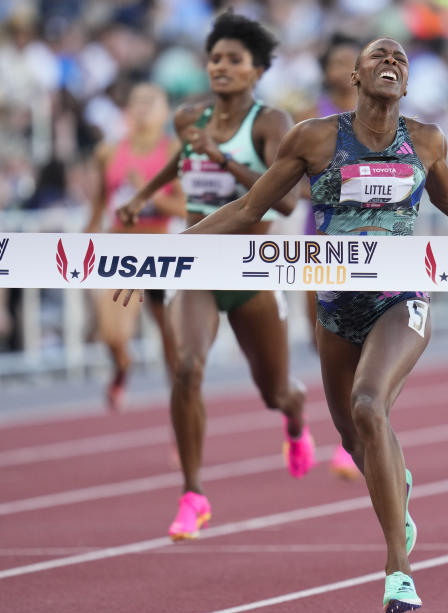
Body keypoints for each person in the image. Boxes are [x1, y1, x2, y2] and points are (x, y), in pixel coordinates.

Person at [129, 37, 448, 613]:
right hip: (335, 307)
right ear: (354, 76)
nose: (391, 63)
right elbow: (250, 208)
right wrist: (165, 255)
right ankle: (395, 486)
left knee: (368, 405)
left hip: (400, 299)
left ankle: (397, 571)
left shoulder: (425, 141)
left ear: (407, 83)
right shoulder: (315, 138)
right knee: (357, 438)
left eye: (400, 60)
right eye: (379, 56)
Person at [115, 11, 310, 541]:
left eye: (234, 60)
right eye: (215, 59)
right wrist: (141, 196)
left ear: (258, 70)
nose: (221, 67)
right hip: (197, 264)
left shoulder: (272, 124)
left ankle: (295, 419)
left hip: (251, 269)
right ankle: (193, 494)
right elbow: (182, 158)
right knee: (187, 368)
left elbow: (288, 203)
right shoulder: (190, 117)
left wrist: (223, 158)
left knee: (275, 393)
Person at [85, 82, 184, 410]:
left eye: (150, 103)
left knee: (171, 342)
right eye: (136, 102)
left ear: (164, 112)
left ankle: (179, 416)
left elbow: (184, 208)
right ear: (127, 111)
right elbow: (99, 205)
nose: (142, 108)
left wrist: (148, 192)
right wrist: (85, 241)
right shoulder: (109, 152)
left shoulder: (173, 152)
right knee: (111, 334)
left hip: (160, 250)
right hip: (119, 250)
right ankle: (121, 365)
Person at [300, 34, 364, 482]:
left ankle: (358, 433)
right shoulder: (311, 119)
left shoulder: (378, 115)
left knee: (367, 334)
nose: (343, 69)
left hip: (367, 236)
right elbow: (289, 180)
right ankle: (347, 426)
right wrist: (331, 187)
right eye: (336, 61)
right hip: (318, 235)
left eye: (350, 61)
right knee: (324, 337)